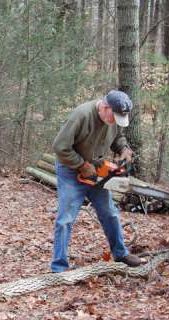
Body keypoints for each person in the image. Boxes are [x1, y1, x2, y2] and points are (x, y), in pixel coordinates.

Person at [51, 90, 141, 273]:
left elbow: (117, 137)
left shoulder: (112, 119)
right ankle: (59, 267)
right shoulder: (81, 115)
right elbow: (60, 147)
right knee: (65, 219)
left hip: (96, 170)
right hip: (70, 171)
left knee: (110, 213)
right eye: (113, 116)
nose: (115, 121)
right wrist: (81, 164)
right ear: (105, 106)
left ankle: (121, 254)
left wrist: (124, 149)